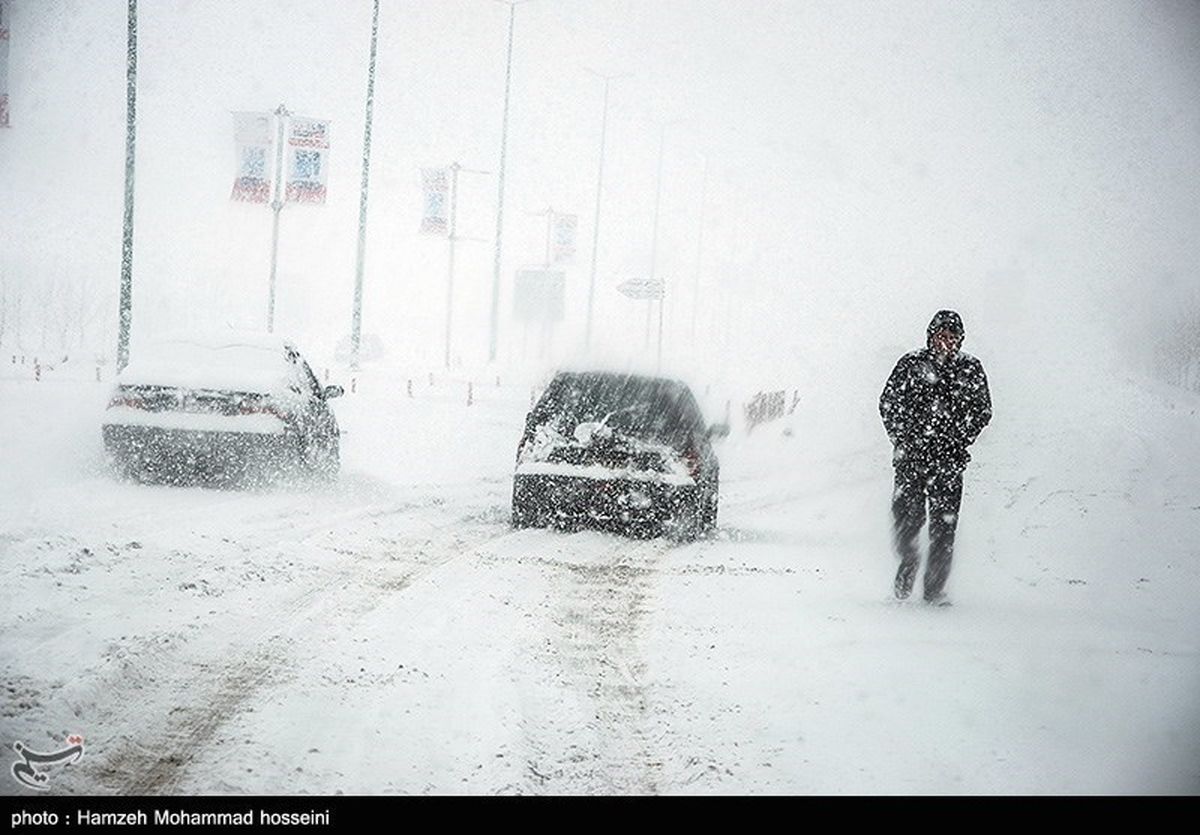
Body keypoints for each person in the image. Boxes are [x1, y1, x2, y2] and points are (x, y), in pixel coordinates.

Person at [879, 310, 992, 605]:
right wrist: (902, 438)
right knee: (906, 523)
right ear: (930, 336)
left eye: (953, 336)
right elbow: (888, 403)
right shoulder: (911, 365)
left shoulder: (971, 369)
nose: (947, 342)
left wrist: (959, 440)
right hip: (911, 461)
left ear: (961, 340)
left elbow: (983, 411)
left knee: (944, 530)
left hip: (949, 463)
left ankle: (934, 591)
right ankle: (907, 570)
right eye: (942, 335)